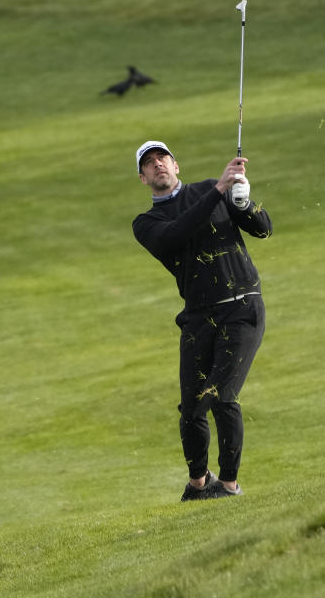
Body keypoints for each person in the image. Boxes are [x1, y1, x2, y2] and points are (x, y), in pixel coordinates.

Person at [131, 141, 271, 501]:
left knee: (222, 395)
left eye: (163, 158)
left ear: (176, 166)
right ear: (143, 179)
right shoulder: (147, 223)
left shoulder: (212, 188)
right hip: (198, 316)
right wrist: (220, 191)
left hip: (242, 307)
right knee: (191, 407)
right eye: (149, 163)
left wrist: (242, 201)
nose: (158, 164)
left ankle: (228, 485)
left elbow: (263, 228)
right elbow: (178, 233)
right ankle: (198, 484)